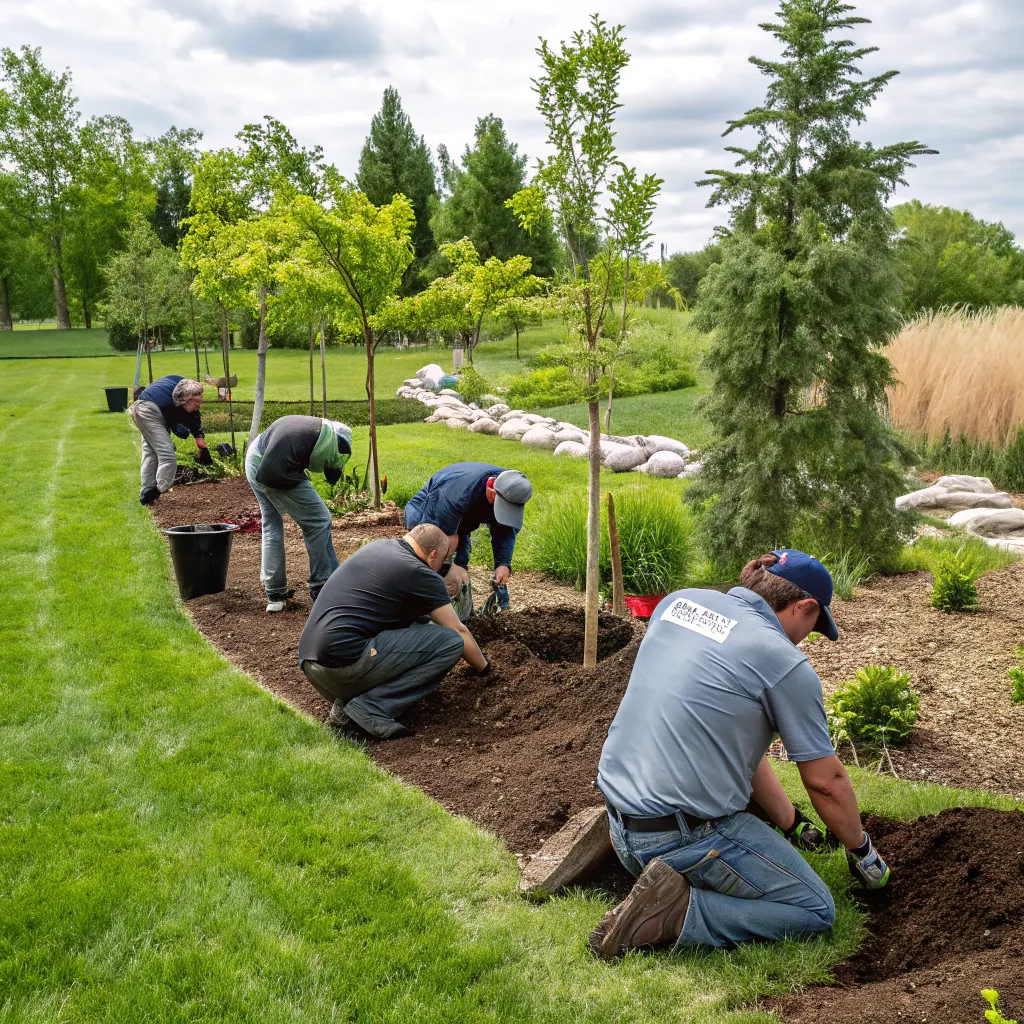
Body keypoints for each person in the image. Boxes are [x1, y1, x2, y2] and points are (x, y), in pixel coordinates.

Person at [588, 550, 890, 960]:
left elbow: (732, 743)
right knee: (814, 909)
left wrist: (792, 822)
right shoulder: (782, 661)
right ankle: (675, 912)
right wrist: (863, 854)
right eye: (813, 626)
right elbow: (826, 782)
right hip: (677, 838)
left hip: (619, 824)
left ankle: (660, 885)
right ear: (805, 606)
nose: (806, 639)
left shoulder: (679, 603)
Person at [298, 522, 489, 739]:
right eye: (444, 560)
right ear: (433, 555)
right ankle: (372, 707)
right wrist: (485, 669)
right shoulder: (420, 572)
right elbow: (458, 630)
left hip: (312, 666)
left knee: (418, 624)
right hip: (344, 668)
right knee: (450, 642)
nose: (443, 567)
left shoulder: (378, 547)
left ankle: (347, 706)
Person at [245, 414, 352, 613]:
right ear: (333, 441)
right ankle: (322, 586)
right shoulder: (318, 437)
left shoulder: (315, 430)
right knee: (319, 520)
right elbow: (270, 473)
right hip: (271, 467)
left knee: (272, 524)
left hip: (255, 456)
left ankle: (275, 594)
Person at [403, 462, 532, 619]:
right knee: (430, 560)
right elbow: (440, 540)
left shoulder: (511, 487)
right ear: (491, 487)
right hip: (429, 508)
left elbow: (504, 530)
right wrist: (446, 569)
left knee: (461, 560)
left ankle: (466, 609)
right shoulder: (455, 494)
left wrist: (503, 564)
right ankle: (424, 607)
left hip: (465, 513)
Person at [129, 375, 208, 505]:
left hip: (143, 407)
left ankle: (146, 491)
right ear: (186, 399)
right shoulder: (171, 404)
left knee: (150, 453)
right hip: (148, 411)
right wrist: (196, 436)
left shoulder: (185, 389)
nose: (199, 405)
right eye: (196, 402)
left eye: (200, 401)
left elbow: (193, 416)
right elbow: (180, 427)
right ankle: (156, 490)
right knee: (167, 455)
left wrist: (201, 443)